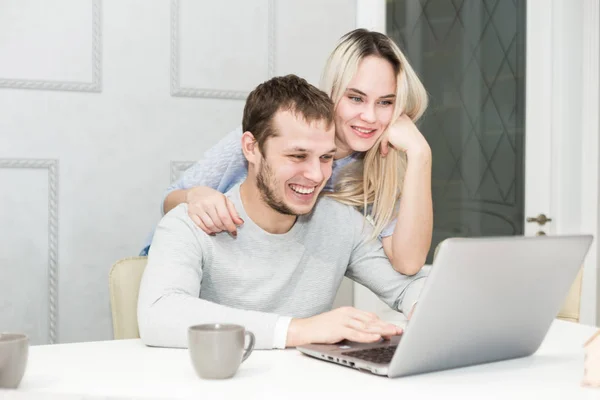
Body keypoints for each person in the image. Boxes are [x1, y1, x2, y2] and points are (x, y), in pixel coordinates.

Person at [137, 75, 427, 350]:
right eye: (297, 156)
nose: (316, 175)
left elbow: (409, 289)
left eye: (326, 157)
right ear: (251, 148)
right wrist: (299, 330)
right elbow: (159, 314)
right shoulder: (190, 222)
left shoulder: (342, 222)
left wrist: (423, 308)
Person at [141, 29, 433, 276]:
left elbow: (407, 262)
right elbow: (171, 202)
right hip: (187, 268)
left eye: (385, 102)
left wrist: (420, 155)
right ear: (332, 91)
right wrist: (196, 195)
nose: (369, 116)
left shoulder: (380, 163)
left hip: (261, 277)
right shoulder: (275, 133)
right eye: (356, 98)